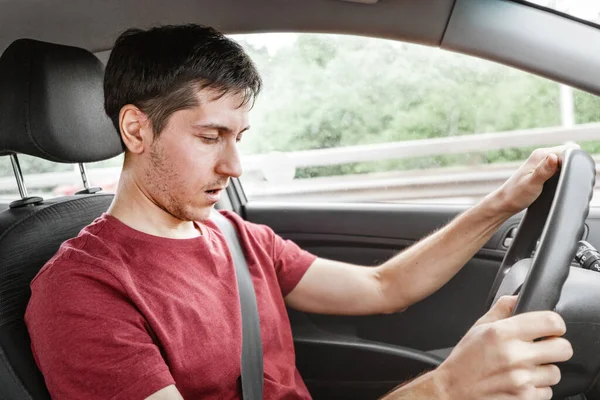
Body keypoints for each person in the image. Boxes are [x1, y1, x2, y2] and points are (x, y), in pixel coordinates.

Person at [24, 24, 574, 400]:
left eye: (239, 137)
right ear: (136, 129)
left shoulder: (234, 235)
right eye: (211, 136)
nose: (235, 165)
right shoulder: (81, 292)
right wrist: (445, 388)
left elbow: (383, 288)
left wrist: (503, 202)